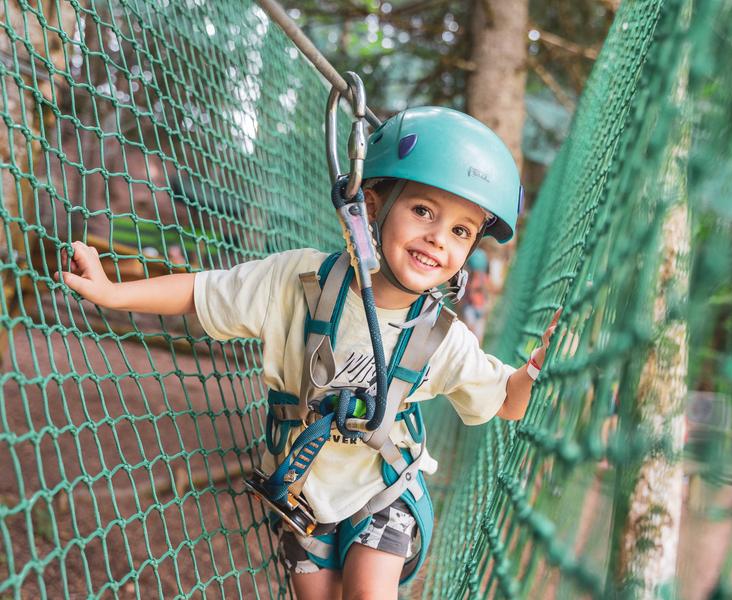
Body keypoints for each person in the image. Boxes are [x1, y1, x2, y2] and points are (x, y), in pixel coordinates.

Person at [58, 107, 559, 600]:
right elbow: (202, 292)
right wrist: (114, 293)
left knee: (367, 592)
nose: (437, 238)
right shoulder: (299, 283)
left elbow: (506, 401)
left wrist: (537, 367)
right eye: (423, 210)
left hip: (384, 489)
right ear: (371, 205)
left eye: (461, 231)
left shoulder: (443, 337)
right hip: (302, 494)